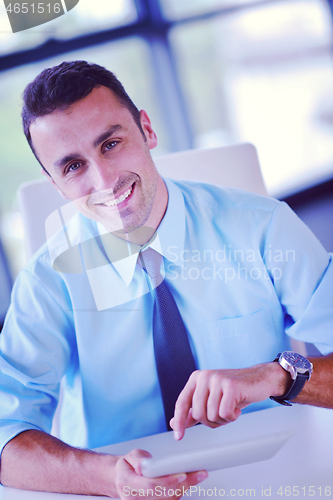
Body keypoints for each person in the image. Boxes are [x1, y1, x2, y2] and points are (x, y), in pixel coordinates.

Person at [0, 60, 332, 499]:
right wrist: (109, 477)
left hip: (278, 474)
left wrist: (275, 377)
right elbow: (6, 436)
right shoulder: (48, 280)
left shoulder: (263, 228)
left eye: (112, 143)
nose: (104, 181)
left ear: (147, 131)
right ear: (55, 184)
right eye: (73, 167)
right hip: (114, 489)